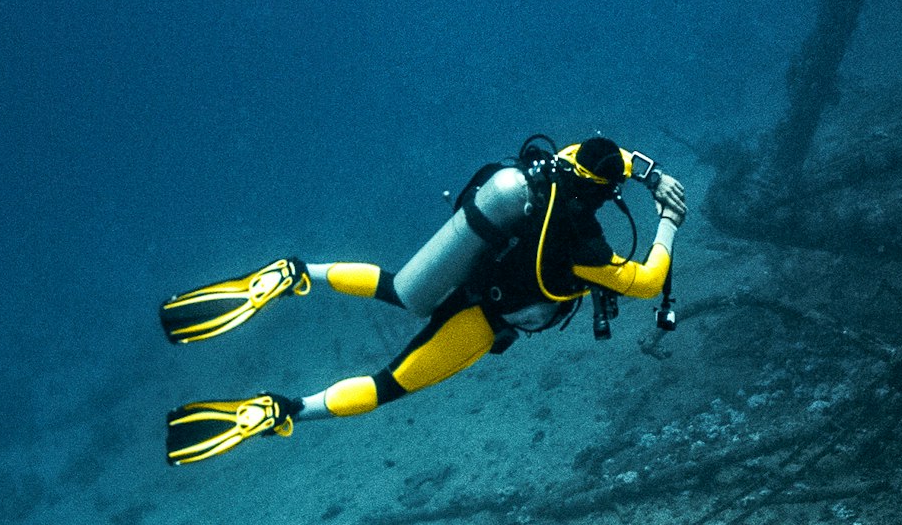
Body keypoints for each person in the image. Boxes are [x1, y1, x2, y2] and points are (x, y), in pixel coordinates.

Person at [155, 135, 688, 465]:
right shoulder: (583, 246)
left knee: (399, 289)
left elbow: (603, 153)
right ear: (604, 190)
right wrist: (668, 218)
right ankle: (281, 410)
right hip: (485, 317)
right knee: (389, 384)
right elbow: (644, 281)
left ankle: (300, 272)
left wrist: (651, 175)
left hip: (472, 259)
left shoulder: (555, 167)